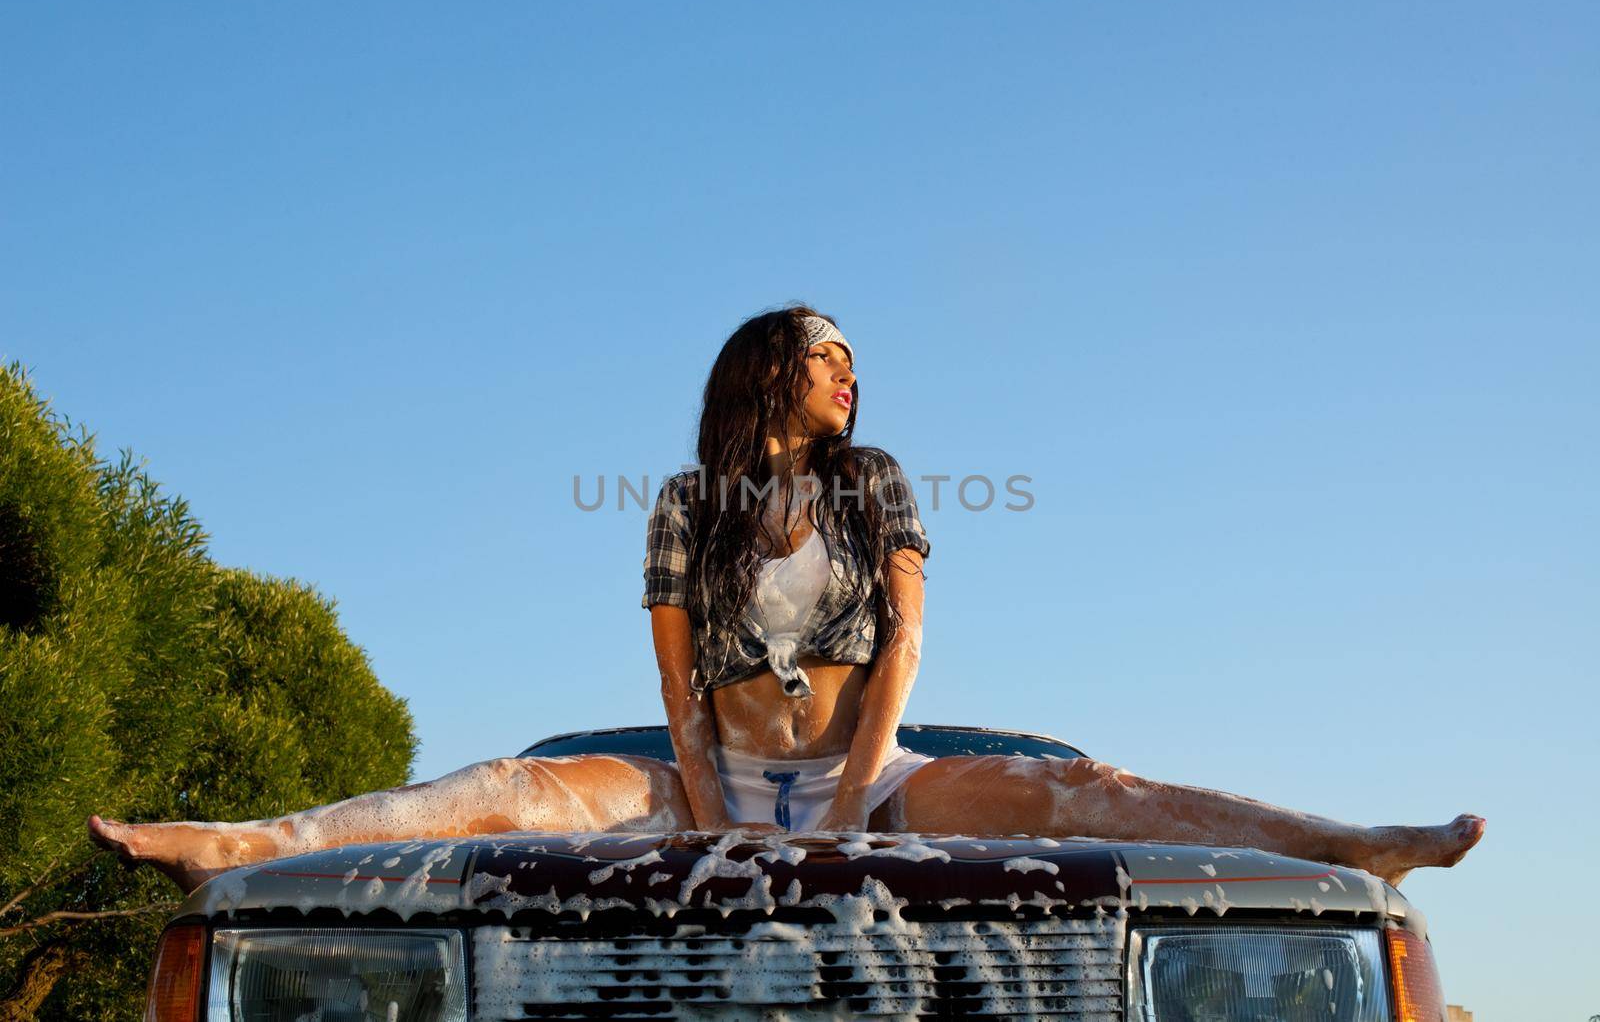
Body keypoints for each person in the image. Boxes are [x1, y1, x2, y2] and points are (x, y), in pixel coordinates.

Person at [89, 304, 1484, 893]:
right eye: (832, 358)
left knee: (1095, 786)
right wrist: (697, 796)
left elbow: (911, 639)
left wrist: (868, 789)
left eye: (857, 365)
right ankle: (243, 843)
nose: (851, 380)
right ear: (773, 368)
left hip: (864, 775)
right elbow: (673, 684)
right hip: (720, 774)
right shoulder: (686, 507)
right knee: (511, 779)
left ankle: (1351, 844)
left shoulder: (875, 479)